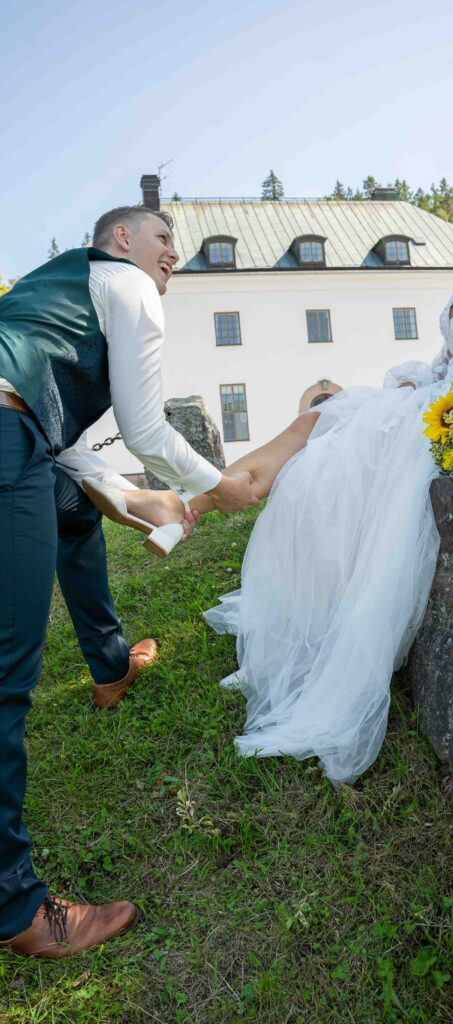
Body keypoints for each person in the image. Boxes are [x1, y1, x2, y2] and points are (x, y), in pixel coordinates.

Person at [94, 146, 453, 787]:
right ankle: (193, 505)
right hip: (442, 405)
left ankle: (192, 506)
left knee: (318, 434)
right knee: (318, 424)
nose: (451, 208)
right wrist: (411, 384)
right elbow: (447, 362)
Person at [0, 206, 258, 958]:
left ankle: (110, 665)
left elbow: (56, 449)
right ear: (121, 241)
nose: (173, 256)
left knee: (73, 513)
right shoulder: (127, 285)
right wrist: (222, 483)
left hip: (17, 442)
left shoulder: (60, 296)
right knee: (9, 667)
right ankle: (15, 906)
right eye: (162, 240)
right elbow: (146, 429)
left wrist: (131, 497)